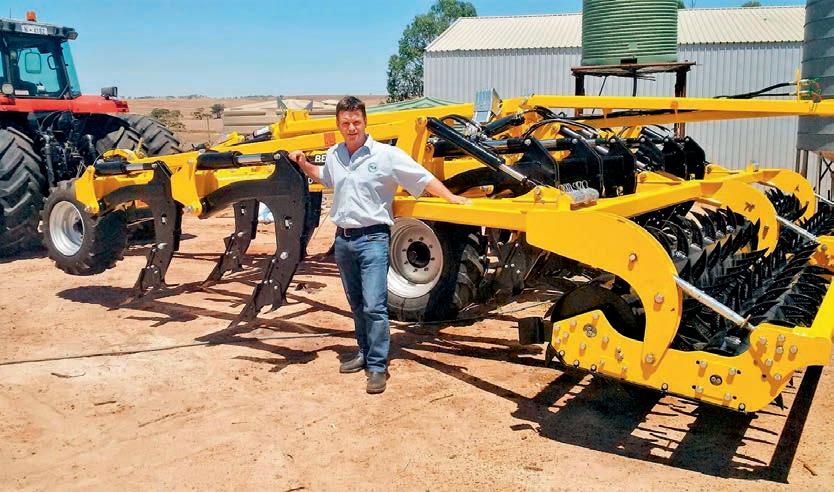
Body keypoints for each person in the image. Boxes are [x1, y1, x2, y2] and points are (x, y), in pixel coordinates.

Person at [288, 95, 469, 394]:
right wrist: (303, 162)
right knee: (357, 303)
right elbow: (325, 178)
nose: (351, 128)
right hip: (343, 240)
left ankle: (377, 366)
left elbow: (422, 177)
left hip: (373, 239)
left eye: (356, 122)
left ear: (365, 122)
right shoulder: (335, 154)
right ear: (338, 124)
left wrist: (451, 197)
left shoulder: (387, 155)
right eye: (345, 123)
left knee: (374, 305)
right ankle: (363, 351)